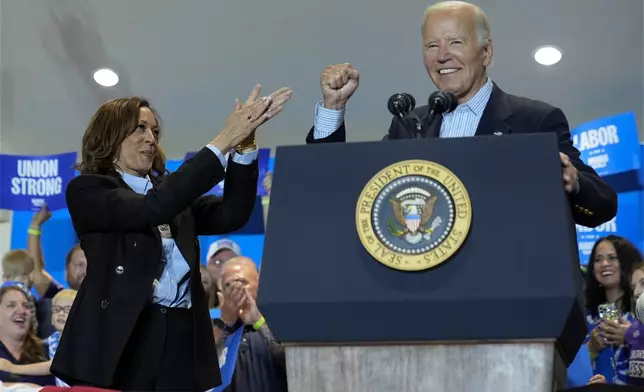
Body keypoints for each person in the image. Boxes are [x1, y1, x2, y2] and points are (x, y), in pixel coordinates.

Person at [50, 85, 293, 392]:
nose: (151, 139)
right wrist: (222, 141)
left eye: (155, 131)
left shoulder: (172, 194)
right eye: (139, 128)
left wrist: (243, 147)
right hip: (123, 339)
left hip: (181, 336)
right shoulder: (89, 190)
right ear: (110, 135)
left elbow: (231, 214)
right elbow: (152, 208)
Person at [304, 0, 616, 228]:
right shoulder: (410, 125)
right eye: (431, 45)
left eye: (455, 41)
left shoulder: (534, 120)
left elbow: (603, 204)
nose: (442, 56)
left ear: (486, 51)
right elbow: (341, 188)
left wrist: (572, 182)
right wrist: (333, 108)